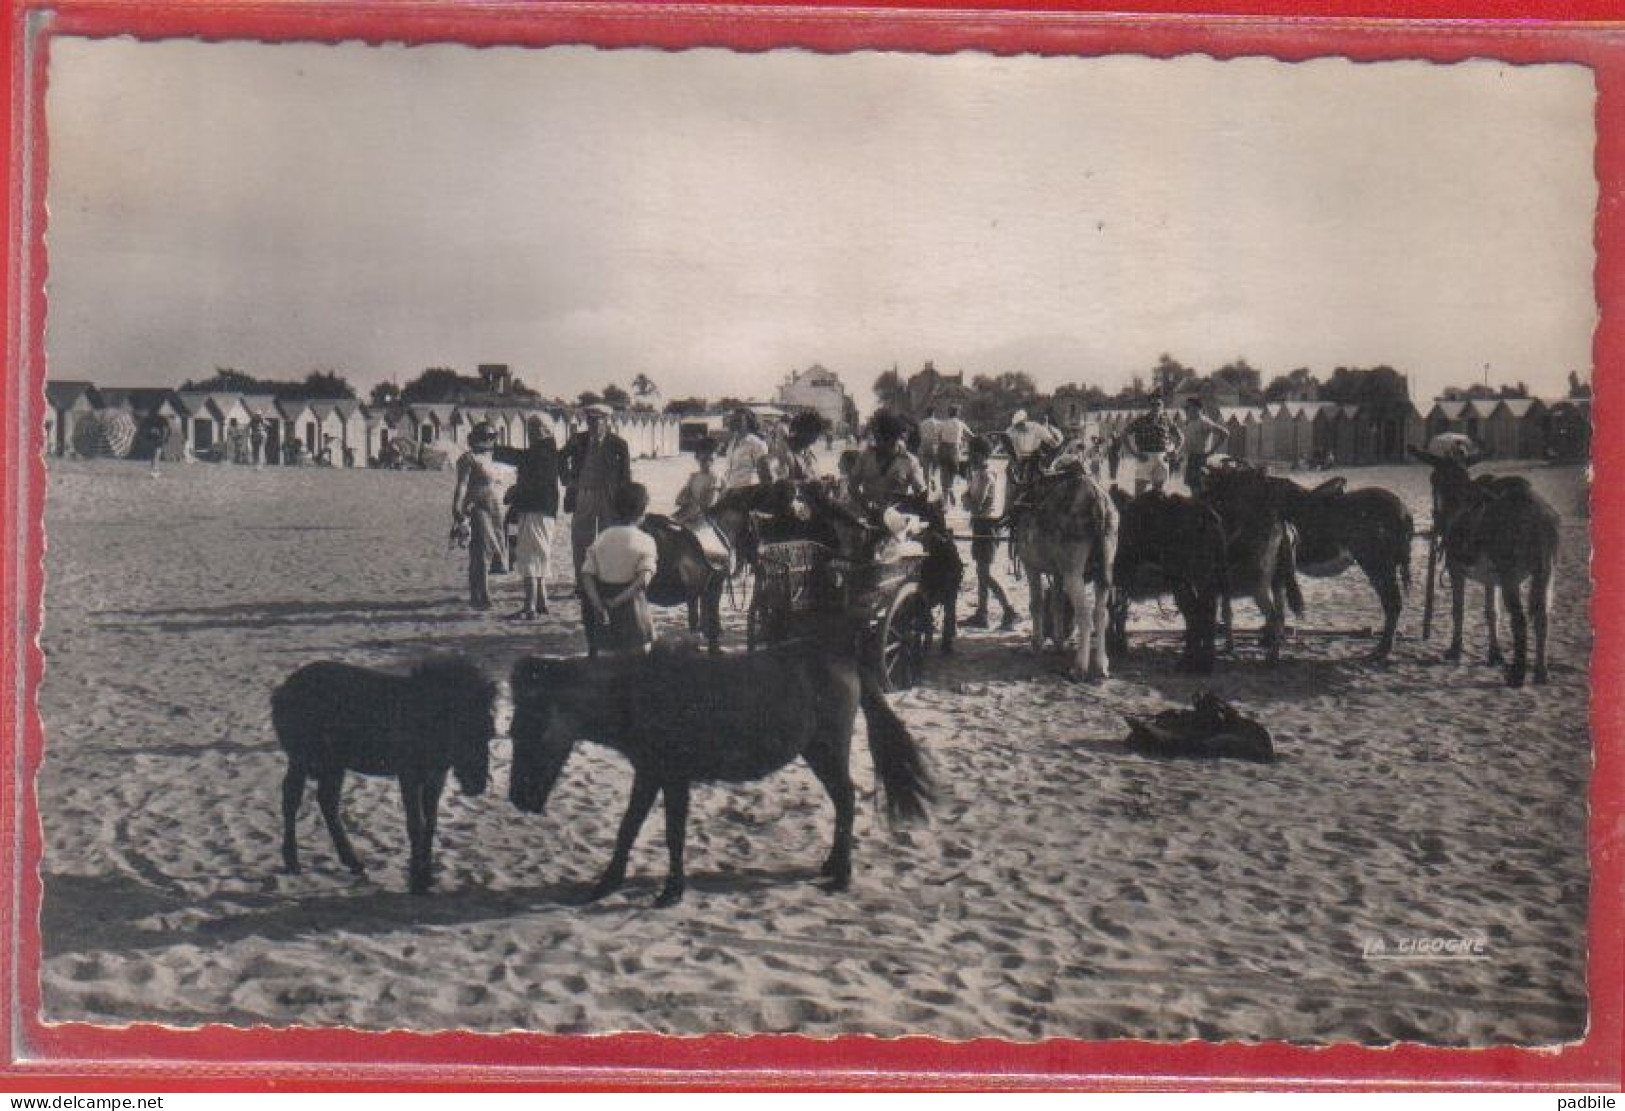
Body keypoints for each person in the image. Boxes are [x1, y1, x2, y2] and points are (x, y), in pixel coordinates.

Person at [580, 482, 658, 657]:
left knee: (610, 671)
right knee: (638, 668)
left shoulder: (602, 538)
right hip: (634, 613)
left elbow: (586, 575)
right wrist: (618, 601)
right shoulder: (645, 540)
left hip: (605, 613)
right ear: (643, 511)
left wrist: (598, 603)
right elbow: (642, 581)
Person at [499, 415, 561, 620]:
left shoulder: (541, 451)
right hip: (543, 511)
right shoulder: (547, 450)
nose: (530, 431)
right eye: (530, 427)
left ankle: (529, 606)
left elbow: (523, 461)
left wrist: (514, 492)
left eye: (535, 427)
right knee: (539, 556)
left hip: (536, 510)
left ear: (546, 430)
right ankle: (541, 602)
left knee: (529, 557)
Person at [963, 438, 1020, 631]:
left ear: (980, 454)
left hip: (986, 525)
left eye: (972, 453)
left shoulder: (984, 475)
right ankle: (982, 613)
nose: (969, 456)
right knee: (982, 572)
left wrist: (965, 498)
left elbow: (975, 505)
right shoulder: (983, 473)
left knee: (985, 573)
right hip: (984, 523)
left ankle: (1010, 610)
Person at [451, 421, 509, 611]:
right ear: (475, 437)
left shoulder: (492, 458)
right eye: (485, 436)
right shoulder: (468, 459)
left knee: (492, 548)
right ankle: (481, 595)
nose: (488, 439)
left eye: (491, 436)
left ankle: (477, 593)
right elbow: (462, 484)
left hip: (495, 508)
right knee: (480, 550)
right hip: (477, 506)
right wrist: (456, 507)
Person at [847, 410, 926, 518]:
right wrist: (864, 503)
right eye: (877, 438)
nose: (881, 443)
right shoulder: (865, 457)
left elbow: (920, 492)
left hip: (896, 518)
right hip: (867, 515)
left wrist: (906, 505)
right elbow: (852, 486)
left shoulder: (910, 461)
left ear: (895, 438)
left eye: (885, 440)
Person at [1122, 396, 1183, 495]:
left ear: (1162, 406)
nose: (1156, 407)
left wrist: (1175, 451)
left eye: (1158, 404)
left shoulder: (1167, 420)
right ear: (1149, 406)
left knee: (1158, 494)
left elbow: (1180, 437)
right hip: (1145, 457)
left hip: (1162, 458)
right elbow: (1124, 434)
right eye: (1153, 405)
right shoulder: (1140, 420)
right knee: (1139, 493)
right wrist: (1134, 453)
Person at [1180, 397, 1230, 494]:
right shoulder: (1189, 422)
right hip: (1191, 458)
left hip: (1201, 458)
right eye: (1185, 408)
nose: (1186, 410)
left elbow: (1225, 433)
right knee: (1193, 487)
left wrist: (1212, 451)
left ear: (1198, 408)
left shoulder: (1204, 422)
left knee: (1201, 489)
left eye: (1188, 407)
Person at [720, 408, 772, 490]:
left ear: (748, 422)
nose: (736, 423)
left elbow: (765, 475)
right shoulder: (732, 443)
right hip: (731, 492)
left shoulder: (756, 443)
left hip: (748, 494)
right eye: (735, 420)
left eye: (740, 420)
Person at [934, 405, 971, 506]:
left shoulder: (942, 423)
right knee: (953, 472)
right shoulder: (961, 424)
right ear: (957, 413)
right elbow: (971, 435)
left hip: (943, 448)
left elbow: (937, 437)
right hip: (954, 449)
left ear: (948, 413)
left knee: (943, 472)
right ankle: (950, 489)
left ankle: (946, 500)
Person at [781, 411, 826, 481]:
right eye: (813, 433)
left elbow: (812, 474)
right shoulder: (785, 455)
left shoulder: (806, 450)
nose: (815, 439)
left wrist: (822, 479)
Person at [916, 407, 942, 495]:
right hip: (935, 446)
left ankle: (927, 488)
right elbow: (940, 436)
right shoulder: (939, 423)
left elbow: (920, 435)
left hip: (924, 446)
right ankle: (933, 477)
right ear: (934, 413)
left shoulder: (922, 424)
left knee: (925, 468)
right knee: (935, 465)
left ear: (926, 413)